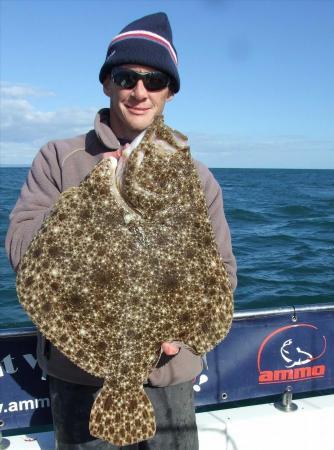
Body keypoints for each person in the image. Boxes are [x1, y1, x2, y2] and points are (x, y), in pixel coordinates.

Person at [6, 12, 237, 450]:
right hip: (77, 370)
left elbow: (220, 272)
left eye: (154, 81)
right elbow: (21, 245)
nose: (139, 91)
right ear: (108, 82)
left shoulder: (197, 177)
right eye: (127, 76)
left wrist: (183, 334)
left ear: (170, 92)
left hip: (170, 373)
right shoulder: (59, 158)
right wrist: (84, 206)